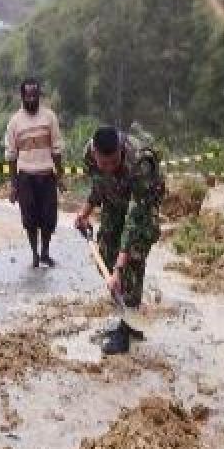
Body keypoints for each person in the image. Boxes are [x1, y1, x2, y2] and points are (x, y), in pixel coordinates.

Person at [73, 125, 164, 355]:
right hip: (115, 202)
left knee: (130, 261)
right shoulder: (89, 156)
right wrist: (85, 212)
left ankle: (126, 328)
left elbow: (134, 219)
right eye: (104, 163)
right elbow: (99, 185)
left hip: (143, 205)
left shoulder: (140, 163)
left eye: (114, 162)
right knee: (104, 253)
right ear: (94, 153)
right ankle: (128, 313)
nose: (110, 168)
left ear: (121, 151)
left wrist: (120, 266)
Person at [5, 77, 65, 268]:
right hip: (26, 178)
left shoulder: (50, 117)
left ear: (39, 95)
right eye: (27, 95)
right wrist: (13, 185)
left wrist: (61, 177)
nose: (31, 99)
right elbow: (11, 156)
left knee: (48, 218)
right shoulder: (14, 122)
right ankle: (34, 255)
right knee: (30, 219)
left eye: (34, 95)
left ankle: (45, 253)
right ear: (22, 96)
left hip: (47, 175)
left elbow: (56, 150)